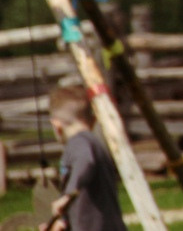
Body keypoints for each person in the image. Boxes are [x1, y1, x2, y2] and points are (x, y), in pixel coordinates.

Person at [41, 85, 127, 231]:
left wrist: (67, 196)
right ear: (93, 120)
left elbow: (85, 161)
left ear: (56, 126)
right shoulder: (92, 143)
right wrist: (64, 223)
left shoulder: (79, 142)